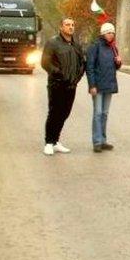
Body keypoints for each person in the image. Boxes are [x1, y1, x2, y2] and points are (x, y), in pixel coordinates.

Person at [41, 17, 85, 156]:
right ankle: (49, 142)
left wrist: (76, 78)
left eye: (72, 24)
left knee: (65, 114)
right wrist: (58, 74)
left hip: (71, 86)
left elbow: (82, 64)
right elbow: (45, 63)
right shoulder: (53, 43)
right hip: (56, 85)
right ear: (61, 27)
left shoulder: (76, 46)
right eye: (67, 24)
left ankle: (56, 141)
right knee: (54, 113)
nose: (71, 27)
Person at [86, 23, 122, 153]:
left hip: (109, 85)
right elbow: (89, 67)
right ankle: (97, 142)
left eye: (112, 33)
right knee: (98, 113)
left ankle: (103, 140)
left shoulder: (113, 48)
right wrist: (92, 85)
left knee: (105, 114)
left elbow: (115, 67)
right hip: (97, 86)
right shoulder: (95, 47)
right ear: (103, 33)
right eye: (108, 32)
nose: (111, 35)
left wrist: (118, 63)